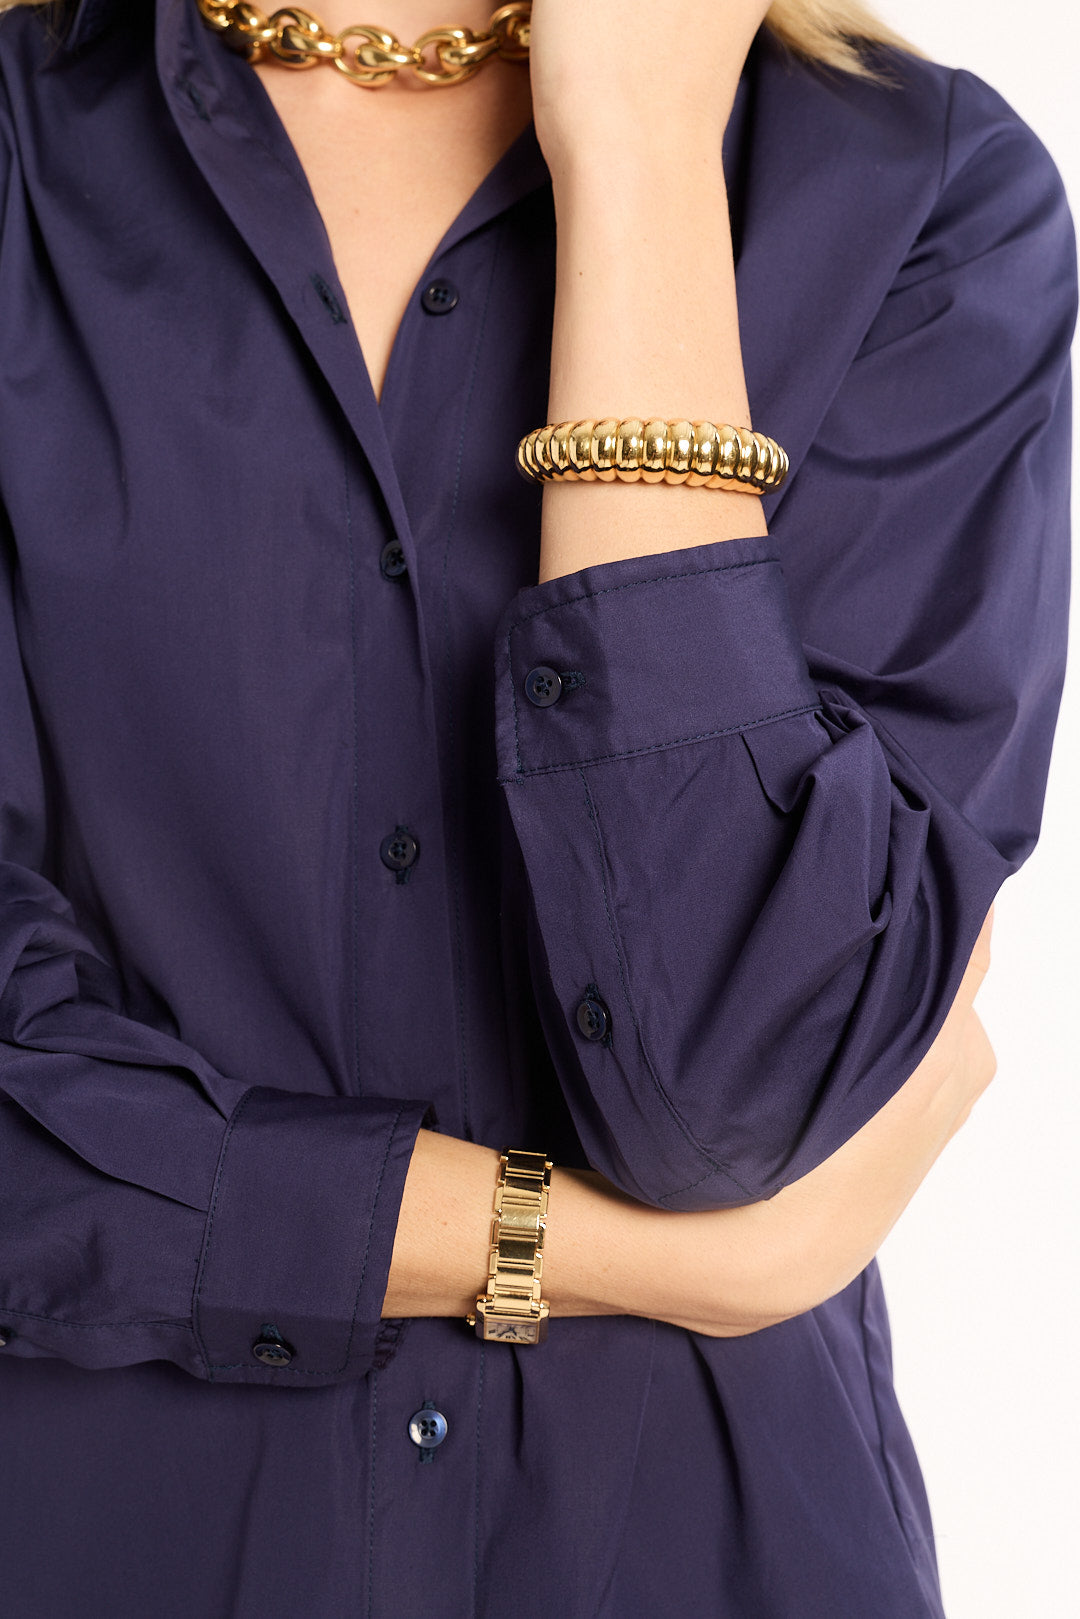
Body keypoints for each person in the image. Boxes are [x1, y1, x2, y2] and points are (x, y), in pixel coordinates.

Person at [0, 0, 1073, 1612]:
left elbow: (736, 1088)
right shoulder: (25, 164)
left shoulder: (915, 195)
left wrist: (637, 158)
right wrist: (611, 1257)